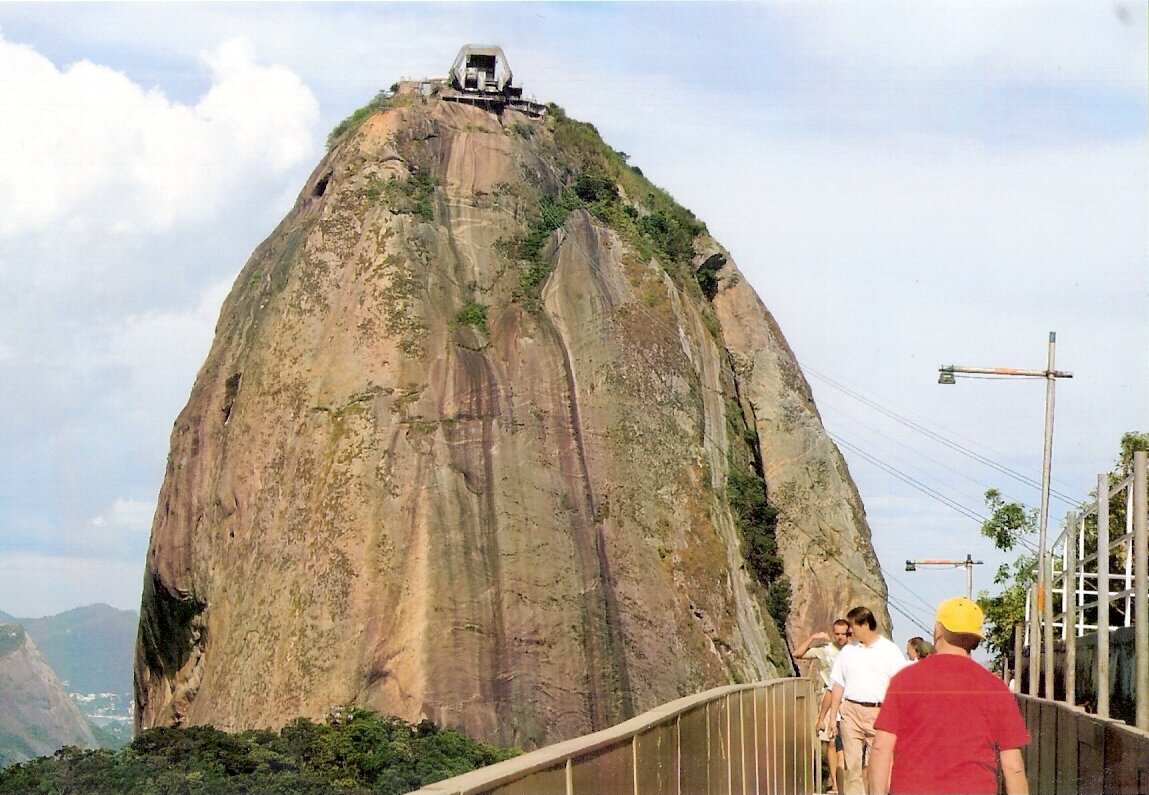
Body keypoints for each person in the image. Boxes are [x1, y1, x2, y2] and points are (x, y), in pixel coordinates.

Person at [868, 597, 1030, 795]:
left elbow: (880, 748)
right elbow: (1014, 767)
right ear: (977, 639)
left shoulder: (905, 681)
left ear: (938, 631)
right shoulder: (995, 688)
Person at [823, 606, 907, 795]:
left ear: (865, 624)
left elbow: (900, 686)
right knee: (852, 765)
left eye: (853, 626)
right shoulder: (848, 651)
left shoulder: (889, 651)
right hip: (850, 710)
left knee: (875, 766)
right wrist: (832, 716)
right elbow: (837, 684)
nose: (850, 631)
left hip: (879, 713)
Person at [793, 619, 851, 793]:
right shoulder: (826, 651)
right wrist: (812, 638)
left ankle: (844, 782)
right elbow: (798, 654)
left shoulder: (854, 651)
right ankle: (835, 782)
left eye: (844, 633)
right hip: (830, 696)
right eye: (838, 634)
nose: (840, 637)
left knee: (845, 744)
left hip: (849, 699)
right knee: (832, 743)